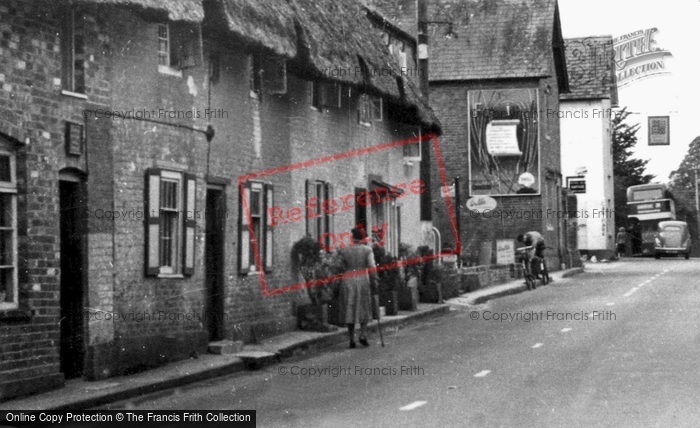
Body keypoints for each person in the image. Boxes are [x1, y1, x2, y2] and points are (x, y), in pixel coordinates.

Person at [337, 228, 378, 348]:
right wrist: (374, 279)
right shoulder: (367, 250)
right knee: (363, 306)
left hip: (348, 280)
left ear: (352, 237)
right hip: (362, 280)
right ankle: (363, 335)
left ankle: (351, 339)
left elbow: (339, 266)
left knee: (350, 307)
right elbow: (371, 266)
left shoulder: (344, 250)